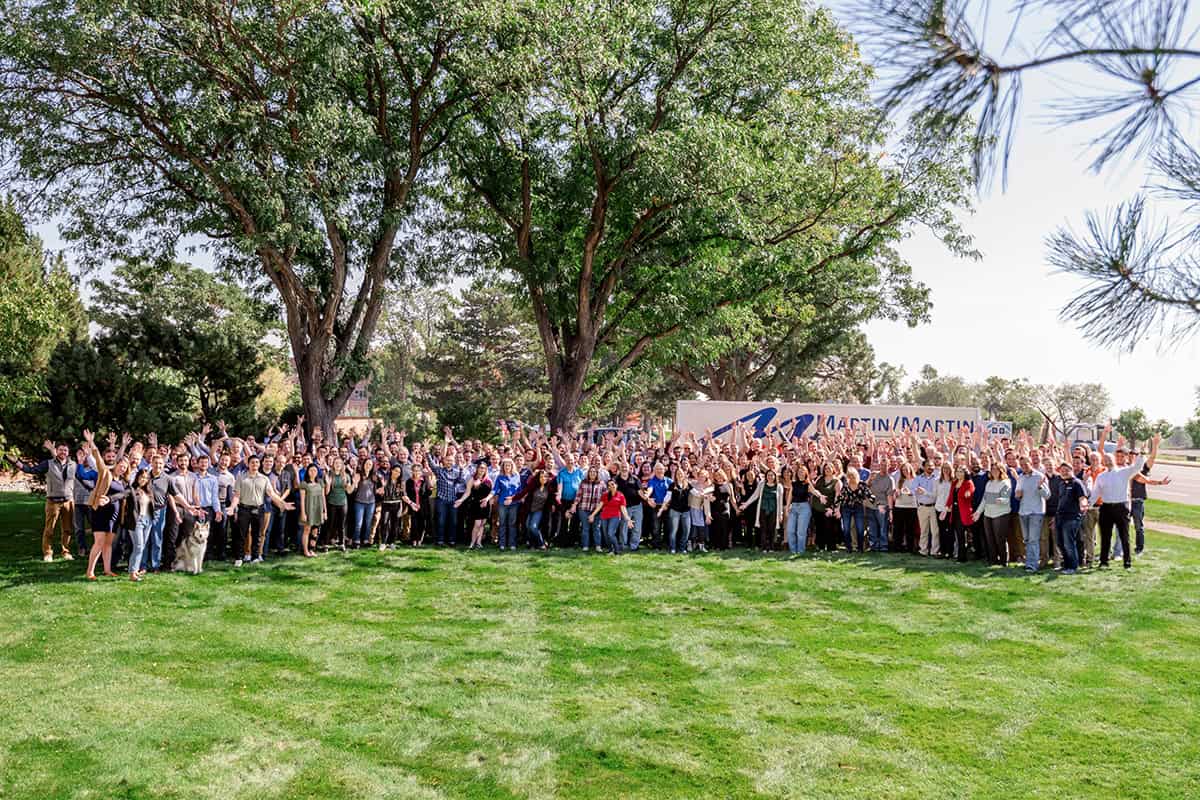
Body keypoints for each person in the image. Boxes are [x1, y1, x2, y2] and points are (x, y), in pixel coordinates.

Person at [1090, 435, 1152, 569]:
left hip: (1121, 507)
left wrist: (1142, 454)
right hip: (1106, 508)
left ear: (1113, 459)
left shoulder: (1124, 472)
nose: (1107, 461)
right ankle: (1104, 561)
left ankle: (1127, 562)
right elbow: (1095, 493)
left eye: (1109, 459)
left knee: (1124, 536)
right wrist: (1087, 504)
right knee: (1105, 536)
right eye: (1105, 460)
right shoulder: (1101, 476)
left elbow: (1137, 467)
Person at [17, 440, 77, 561]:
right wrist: (18, 464)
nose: (63, 452)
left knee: (67, 529)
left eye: (65, 450)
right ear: (57, 451)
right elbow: (32, 470)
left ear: (68, 452)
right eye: (60, 450)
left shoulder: (73, 465)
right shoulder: (48, 464)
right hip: (53, 502)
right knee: (49, 529)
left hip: (68, 501)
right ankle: (48, 553)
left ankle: (66, 552)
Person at [81, 429, 126, 580]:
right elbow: (98, 459)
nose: (122, 467)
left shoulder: (123, 481)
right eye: (120, 465)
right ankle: (90, 572)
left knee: (108, 544)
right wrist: (91, 442)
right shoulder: (105, 473)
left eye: (125, 467)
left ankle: (107, 570)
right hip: (101, 512)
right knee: (99, 543)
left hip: (114, 515)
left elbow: (124, 495)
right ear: (116, 464)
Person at [1014, 456, 1050, 572]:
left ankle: (1032, 565)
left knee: (1033, 539)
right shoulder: (1020, 478)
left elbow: (1047, 495)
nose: (1024, 466)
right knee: (1027, 539)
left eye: (1026, 464)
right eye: (1022, 465)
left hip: (1036, 512)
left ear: (1031, 463)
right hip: (1023, 512)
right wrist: (1017, 496)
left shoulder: (1040, 476)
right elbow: (1017, 495)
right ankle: (1029, 561)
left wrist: (1040, 487)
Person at [974, 462, 1012, 566]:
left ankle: (1004, 560)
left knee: (1000, 538)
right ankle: (993, 559)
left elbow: (1005, 499)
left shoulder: (1006, 482)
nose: (994, 471)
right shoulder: (989, 483)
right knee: (990, 538)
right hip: (988, 514)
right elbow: (984, 500)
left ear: (1001, 470)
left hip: (1001, 514)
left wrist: (991, 498)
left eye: (997, 469)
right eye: (993, 469)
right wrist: (978, 512)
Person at [1054, 460, 1089, 574]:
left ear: (1071, 470)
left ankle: (1073, 567)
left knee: (1069, 543)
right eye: (1062, 470)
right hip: (1060, 517)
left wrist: (1083, 504)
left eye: (1066, 470)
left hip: (1072, 517)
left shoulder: (1077, 483)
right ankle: (1066, 565)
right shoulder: (1061, 484)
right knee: (1060, 542)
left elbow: (1082, 497)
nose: (1064, 472)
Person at [125, 468, 155, 581]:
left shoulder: (148, 491)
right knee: (138, 546)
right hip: (136, 521)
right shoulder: (132, 489)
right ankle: (132, 573)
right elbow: (122, 495)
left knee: (141, 547)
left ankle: (135, 570)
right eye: (142, 477)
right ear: (137, 477)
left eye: (146, 478)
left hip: (148, 520)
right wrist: (109, 499)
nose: (144, 479)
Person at [836, 468, 874, 553]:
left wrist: (876, 504)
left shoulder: (862, 484)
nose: (851, 478)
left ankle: (860, 548)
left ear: (856, 475)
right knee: (846, 528)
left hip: (858, 507)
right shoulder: (846, 486)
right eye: (849, 476)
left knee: (860, 529)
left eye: (853, 476)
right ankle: (848, 547)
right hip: (846, 508)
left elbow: (870, 495)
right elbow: (840, 498)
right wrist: (835, 508)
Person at [456, 463, 493, 550]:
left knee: (483, 524)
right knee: (477, 524)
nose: (482, 470)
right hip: (476, 504)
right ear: (477, 469)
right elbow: (467, 492)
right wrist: (461, 500)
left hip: (485, 504)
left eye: (484, 468)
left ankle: (479, 543)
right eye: (480, 468)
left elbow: (492, 492)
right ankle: (472, 543)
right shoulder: (473, 479)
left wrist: (488, 500)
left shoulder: (488, 480)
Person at [490, 458, 523, 550]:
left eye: (509, 465)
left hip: (514, 503)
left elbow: (519, 491)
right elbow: (495, 489)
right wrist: (489, 497)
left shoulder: (516, 476)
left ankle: (512, 543)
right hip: (502, 503)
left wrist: (512, 498)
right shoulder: (500, 477)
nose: (507, 467)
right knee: (502, 523)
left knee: (512, 523)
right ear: (503, 467)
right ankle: (502, 544)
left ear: (512, 466)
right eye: (505, 465)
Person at [592, 479, 632, 554]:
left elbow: (623, 508)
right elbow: (599, 506)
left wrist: (628, 519)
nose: (611, 486)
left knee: (610, 533)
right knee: (606, 534)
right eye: (609, 485)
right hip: (604, 517)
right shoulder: (605, 495)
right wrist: (592, 515)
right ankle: (610, 549)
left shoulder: (621, 495)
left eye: (613, 484)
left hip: (615, 517)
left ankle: (617, 549)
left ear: (616, 485)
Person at [661, 469, 693, 555]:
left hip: (686, 511)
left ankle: (682, 548)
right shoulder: (672, 485)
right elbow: (667, 497)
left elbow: (695, 493)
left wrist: (704, 494)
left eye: (681, 474)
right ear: (675, 475)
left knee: (687, 530)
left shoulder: (688, 485)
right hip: (674, 511)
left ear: (684, 475)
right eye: (678, 474)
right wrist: (662, 507)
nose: (680, 475)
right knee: (674, 530)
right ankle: (673, 548)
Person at [947, 465, 974, 563]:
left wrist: (968, 494)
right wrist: (947, 507)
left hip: (964, 513)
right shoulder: (954, 483)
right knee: (958, 535)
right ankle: (959, 555)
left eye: (961, 471)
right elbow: (950, 496)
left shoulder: (968, 483)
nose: (959, 473)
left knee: (963, 536)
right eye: (957, 471)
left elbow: (970, 492)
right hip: (954, 512)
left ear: (965, 473)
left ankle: (962, 558)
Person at [912, 459, 939, 556]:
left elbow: (936, 495)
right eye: (928, 465)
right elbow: (913, 491)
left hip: (933, 507)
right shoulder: (918, 479)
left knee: (935, 531)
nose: (930, 467)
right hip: (922, 507)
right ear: (923, 467)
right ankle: (923, 550)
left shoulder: (937, 479)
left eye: (932, 466)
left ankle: (934, 551)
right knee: (924, 530)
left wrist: (924, 492)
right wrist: (917, 491)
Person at [784, 464, 813, 555]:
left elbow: (814, 491)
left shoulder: (807, 483)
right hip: (794, 507)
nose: (801, 473)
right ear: (797, 473)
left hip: (804, 508)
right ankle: (793, 551)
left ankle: (800, 551)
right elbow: (790, 496)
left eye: (802, 471)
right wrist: (787, 507)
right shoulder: (793, 483)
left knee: (801, 531)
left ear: (806, 473)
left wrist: (820, 496)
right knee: (790, 530)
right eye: (799, 471)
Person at [866, 463, 893, 553]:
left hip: (882, 506)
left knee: (883, 528)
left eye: (885, 465)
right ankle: (873, 546)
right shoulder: (874, 475)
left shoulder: (889, 479)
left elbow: (889, 495)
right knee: (872, 527)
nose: (883, 467)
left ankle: (883, 547)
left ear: (888, 466)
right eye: (882, 465)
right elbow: (865, 487)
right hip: (871, 505)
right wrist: (869, 479)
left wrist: (890, 510)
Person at [377, 464, 405, 550]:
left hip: (397, 504)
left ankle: (392, 542)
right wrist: (381, 489)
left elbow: (403, 495)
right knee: (384, 523)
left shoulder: (401, 482)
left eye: (399, 472)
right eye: (396, 470)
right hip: (386, 504)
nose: (397, 473)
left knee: (395, 524)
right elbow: (378, 491)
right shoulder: (385, 480)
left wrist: (411, 503)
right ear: (392, 470)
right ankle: (383, 543)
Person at [404, 463, 432, 547]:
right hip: (413, 505)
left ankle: (420, 540)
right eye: (414, 470)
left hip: (423, 506)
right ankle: (414, 540)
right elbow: (408, 494)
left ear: (421, 472)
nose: (416, 472)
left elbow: (429, 493)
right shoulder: (409, 481)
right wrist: (413, 504)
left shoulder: (424, 481)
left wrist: (428, 481)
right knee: (414, 523)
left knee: (422, 523)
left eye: (418, 471)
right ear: (412, 471)